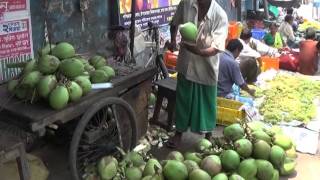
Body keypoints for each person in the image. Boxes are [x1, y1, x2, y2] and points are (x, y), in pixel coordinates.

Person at [166, 0, 228, 148]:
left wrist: (198, 51)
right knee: (183, 99)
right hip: (186, 62)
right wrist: (173, 39)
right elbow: (174, 22)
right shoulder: (187, 4)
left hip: (207, 65)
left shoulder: (220, 15)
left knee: (207, 100)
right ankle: (178, 133)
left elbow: (216, 48)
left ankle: (208, 134)